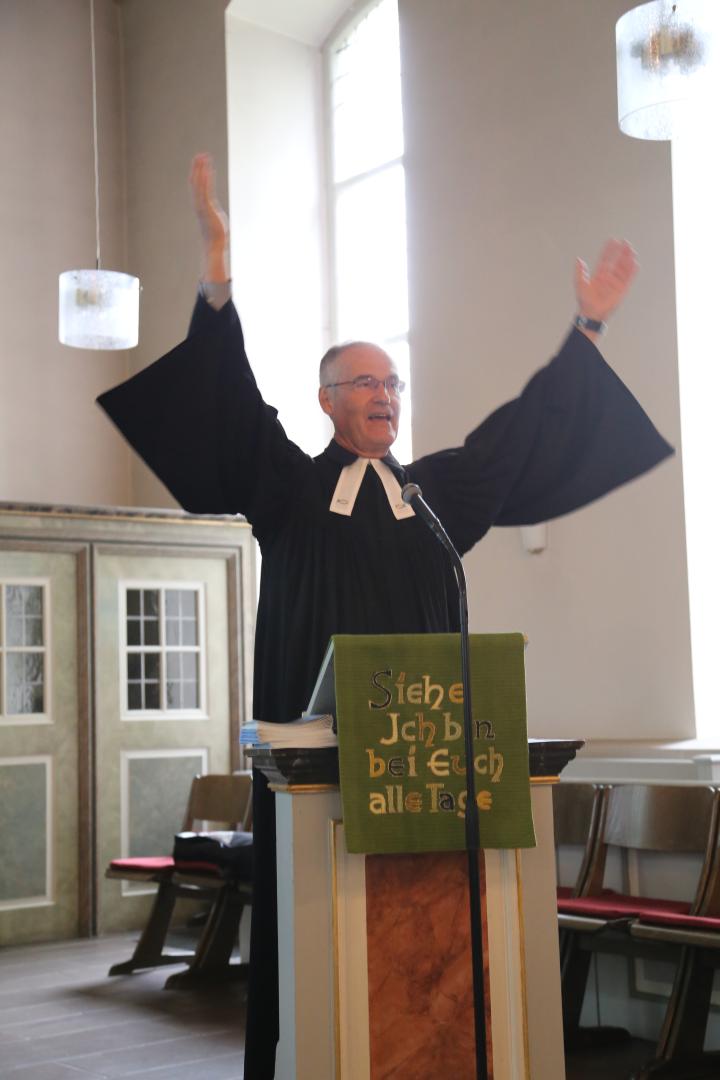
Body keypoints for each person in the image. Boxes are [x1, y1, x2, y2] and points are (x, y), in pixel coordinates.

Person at [98, 153, 672, 1079]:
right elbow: (232, 408)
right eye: (365, 384)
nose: (384, 396)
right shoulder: (287, 485)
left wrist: (590, 323)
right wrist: (217, 276)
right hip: (319, 765)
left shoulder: (436, 494)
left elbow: (525, 429)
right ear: (327, 401)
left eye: (394, 384)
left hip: (428, 761)